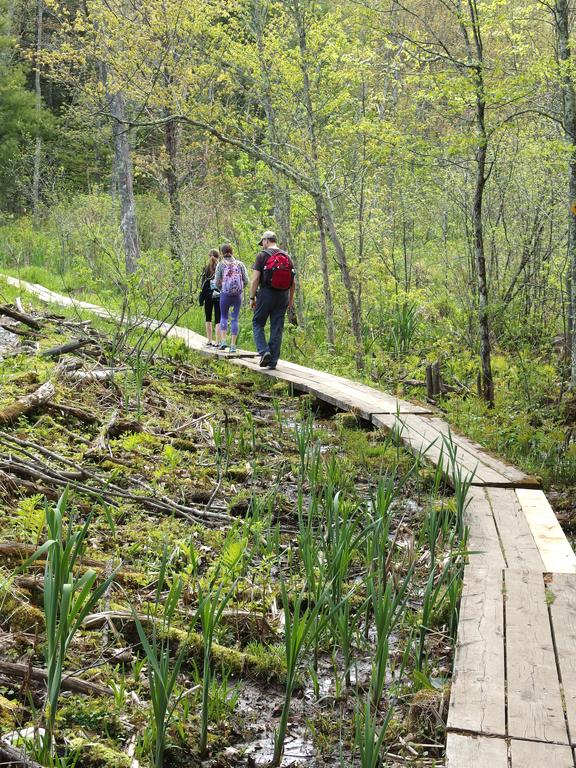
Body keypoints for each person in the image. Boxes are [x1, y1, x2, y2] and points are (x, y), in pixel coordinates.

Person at [250, 230, 295, 370]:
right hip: (283, 296)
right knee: (277, 327)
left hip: (266, 294)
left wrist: (252, 297)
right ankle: (273, 362)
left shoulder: (262, 256)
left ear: (266, 241)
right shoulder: (287, 256)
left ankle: (264, 352)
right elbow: (293, 282)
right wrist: (291, 299)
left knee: (257, 323)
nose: (262, 245)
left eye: (262, 242)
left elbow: (255, 279)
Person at [214, 243, 249, 353]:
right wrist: (240, 289)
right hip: (237, 296)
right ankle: (233, 346)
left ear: (222, 253)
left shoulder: (221, 265)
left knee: (223, 316)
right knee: (234, 319)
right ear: (232, 251)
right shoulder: (240, 264)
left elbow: (216, 282)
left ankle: (224, 342)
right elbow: (246, 280)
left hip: (225, 295)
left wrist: (222, 289)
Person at [198, 249, 222, 347]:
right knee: (218, 319)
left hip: (208, 296)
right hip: (218, 296)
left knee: (208, 318)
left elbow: (203, 285)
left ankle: (209, 340)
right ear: (218, 257)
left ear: (209, 257)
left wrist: (201, 298)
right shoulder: (221, 267)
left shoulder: (205, 269)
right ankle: (218, 341)